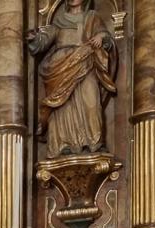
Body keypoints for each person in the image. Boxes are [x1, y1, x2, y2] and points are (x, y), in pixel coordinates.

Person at [26, 0, 117, 156]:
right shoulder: (58, 21)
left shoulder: (91, 16)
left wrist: (101, 37)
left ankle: (93, 142)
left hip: (86, 61)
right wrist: (34, 38)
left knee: (91, 100)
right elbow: (44, 40)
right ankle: (63, 144)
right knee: (62, 105)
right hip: (61, 66)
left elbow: (106, 37)